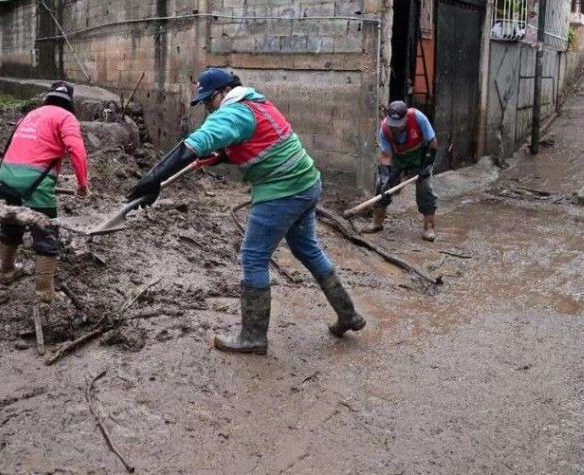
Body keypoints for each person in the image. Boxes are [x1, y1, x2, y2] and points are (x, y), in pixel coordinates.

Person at [126, 68, 365, 355]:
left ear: (223, 93)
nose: (207, 108)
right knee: (308, 250)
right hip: (306, 183)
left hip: (281, 192)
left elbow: (190, 146)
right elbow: (258, 142)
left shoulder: (233, 113)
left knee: (253, 257)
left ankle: (253, 336)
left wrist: (152, 180)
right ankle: (348, 314)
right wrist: (224, 155)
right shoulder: (258, 103)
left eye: (208, 101)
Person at [0, 81, 89, 303]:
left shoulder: (30, 115)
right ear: (69, 103)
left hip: (5, 179)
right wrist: (82, 184)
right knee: (46, 234)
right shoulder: (66, 118)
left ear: (48, 97)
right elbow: (77, 150)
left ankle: (6, 273)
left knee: (10, 226)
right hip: (35, 184)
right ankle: (45, 292)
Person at [365, 101, 439, 242]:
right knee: (382, 186)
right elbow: (386, 156)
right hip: (398, 157)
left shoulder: (418, 118)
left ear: (406, 118)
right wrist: (386, 176)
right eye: (393, 124)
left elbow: (433, 143)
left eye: (399, 124)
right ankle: (377, 222)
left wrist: (428, 164)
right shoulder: (385, 129)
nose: (396, 128)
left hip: (420, 156)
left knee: (425, 188)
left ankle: (429, 227)